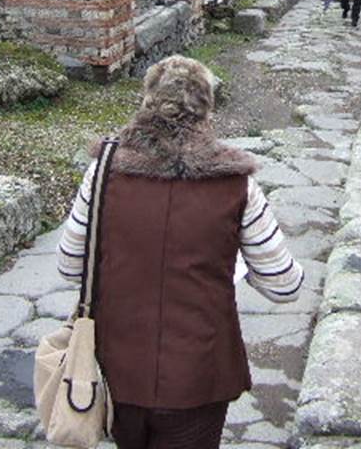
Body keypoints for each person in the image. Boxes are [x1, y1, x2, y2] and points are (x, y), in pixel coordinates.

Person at [57, 55, 304, 449]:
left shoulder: (103, 172)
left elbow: (70, 266)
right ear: (206, 108)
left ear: (147, 102)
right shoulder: (235, 184)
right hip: (200, 374)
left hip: (116, 368)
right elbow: (284, 286)